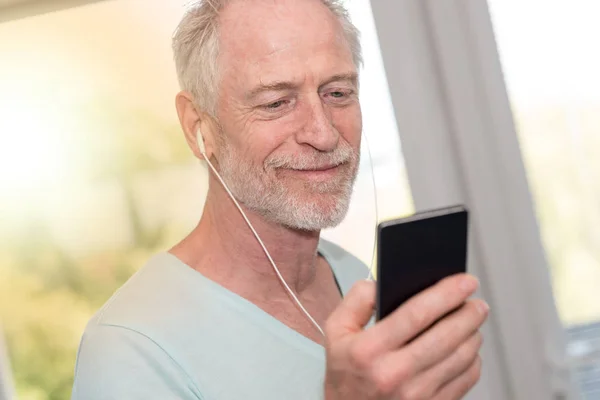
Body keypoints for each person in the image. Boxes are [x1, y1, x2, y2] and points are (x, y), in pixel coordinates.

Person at [71, 0, 489, 399]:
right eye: (276, 102)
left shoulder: (352, 276)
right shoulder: (129, 350)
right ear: (200, 127)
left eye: (338, 93)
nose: (324, 134)